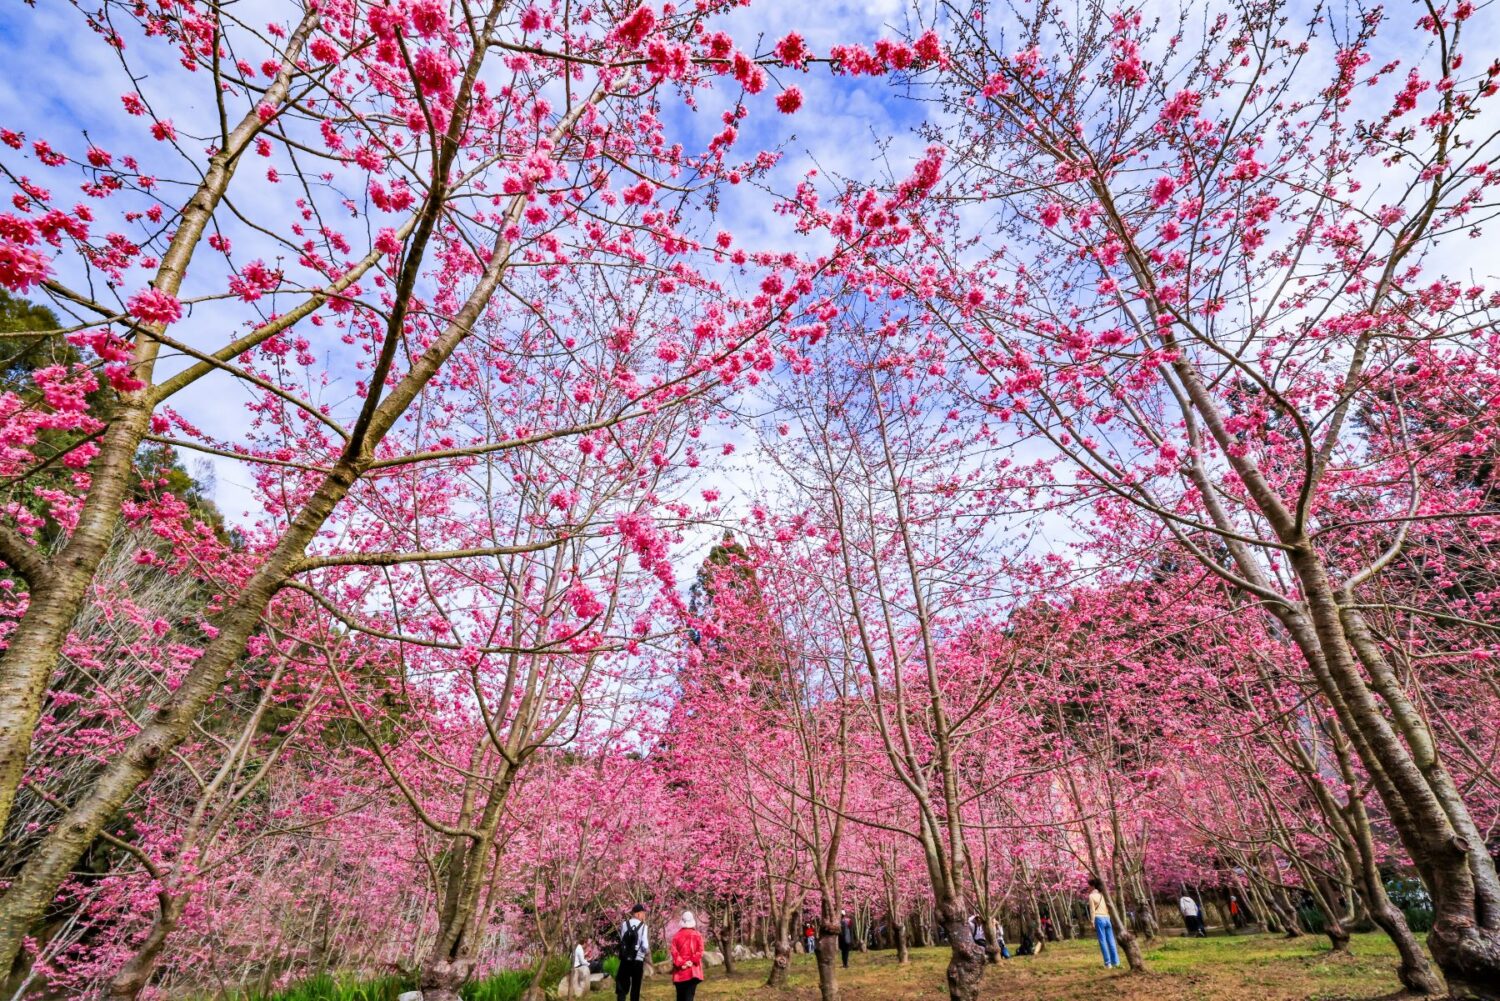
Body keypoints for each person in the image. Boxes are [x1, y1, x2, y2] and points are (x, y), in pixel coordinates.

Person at [616, 903, 650, 1001]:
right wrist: (642, 952)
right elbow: (645, 945)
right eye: (643, 913)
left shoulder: (624, 924)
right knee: (635, 986)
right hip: (637, 960)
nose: (644, 916)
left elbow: (623, 940)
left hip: (625, 959)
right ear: (638, 914)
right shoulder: (644, 926)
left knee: (622, 985)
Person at [670, 910, 706, 1001]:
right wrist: (691, 961)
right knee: (689, 997)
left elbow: (674, 953)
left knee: (680, 997)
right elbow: (700, 951)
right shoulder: (697, 935)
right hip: (692, 971)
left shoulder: (676, 936)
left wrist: (682, 963)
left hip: (680, 972)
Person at [1087, 877, 1120, 969]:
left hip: (1099, 918)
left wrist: (1092, 921)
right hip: (1107, 918)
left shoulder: (1091, 896)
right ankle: (1116, 962)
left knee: (1102, 941)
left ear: (1093, 886)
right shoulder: (1103, 895)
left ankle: (1108, 963)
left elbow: (1092, 910)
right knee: (1111, 940)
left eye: (1089, 886)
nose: (1088, 888)